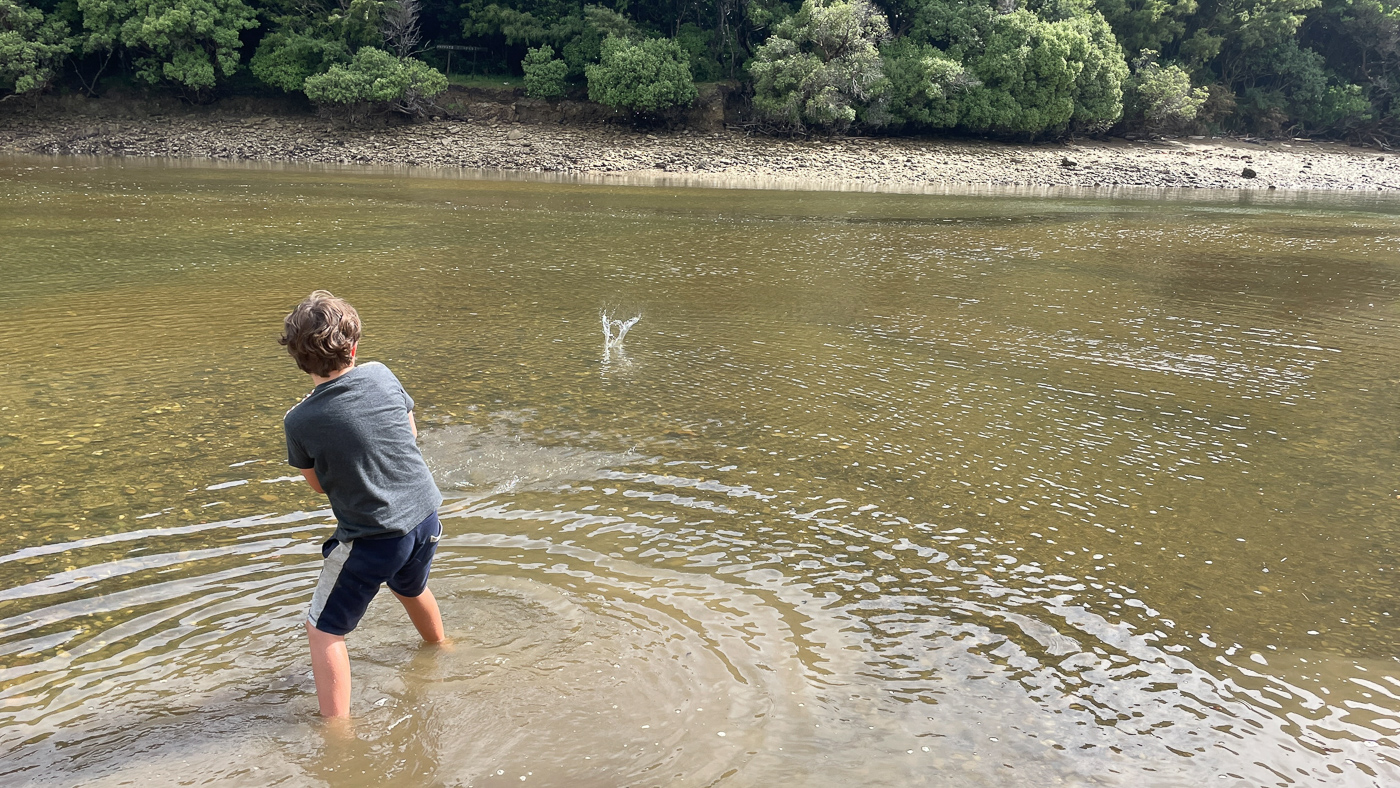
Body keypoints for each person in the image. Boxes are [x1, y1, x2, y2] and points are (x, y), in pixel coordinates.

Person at [279, 290, 445, 717]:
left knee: (323, 629)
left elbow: (318, 486)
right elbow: (409, 432)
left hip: (374, 536)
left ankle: (337, 734)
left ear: (298, 359)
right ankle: (440, 647)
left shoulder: (299, 421)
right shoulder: (381, 374)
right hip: (425, 517)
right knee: (410, 587)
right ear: (353, 347)